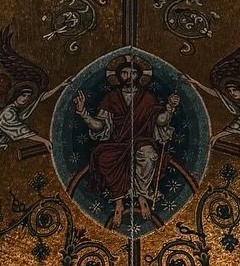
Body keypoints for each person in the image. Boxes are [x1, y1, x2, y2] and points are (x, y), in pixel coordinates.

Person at [70, 55, 179, 230]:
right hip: (118, 142)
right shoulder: (111, 98)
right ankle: (119, 203)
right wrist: (83, 112)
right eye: (125, 73)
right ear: (119, 76)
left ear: (139, 76)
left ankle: (142, 197)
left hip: (142, 140)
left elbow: (160, 121)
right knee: (104, 157)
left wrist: (170, 108)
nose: (129, 77)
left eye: (133, 73)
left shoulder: (148, 98)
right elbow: (99, 126)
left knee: (149, 154)